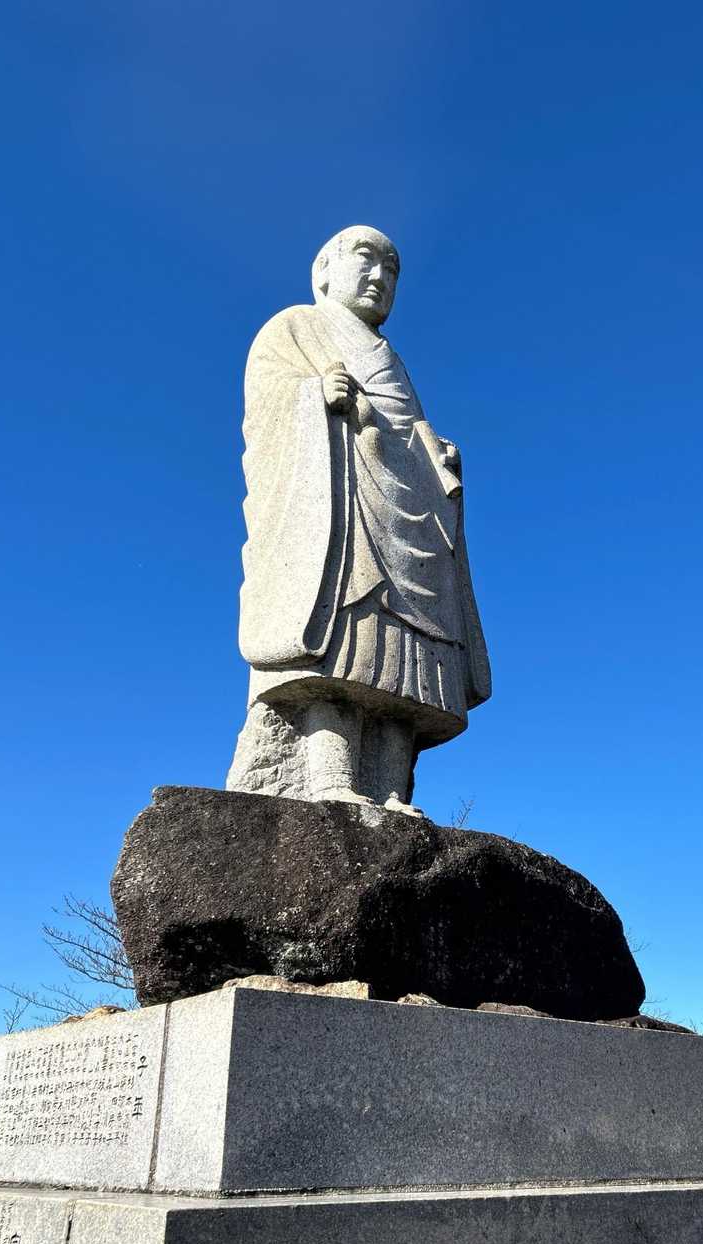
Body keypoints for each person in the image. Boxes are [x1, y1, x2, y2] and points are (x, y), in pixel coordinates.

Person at [225, 225, 491, 815]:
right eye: (367, 260)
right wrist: (315, 394)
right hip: (347, 511)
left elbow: (405, 426)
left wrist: (440, 457)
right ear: (323, 270)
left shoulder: (393, 361)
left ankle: (391, 789)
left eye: (392, 270)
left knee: (405, 666)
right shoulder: (295, 327)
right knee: (346, 643)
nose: (380, 277)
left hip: (407, 511)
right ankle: (329, 778)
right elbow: (266, 403)